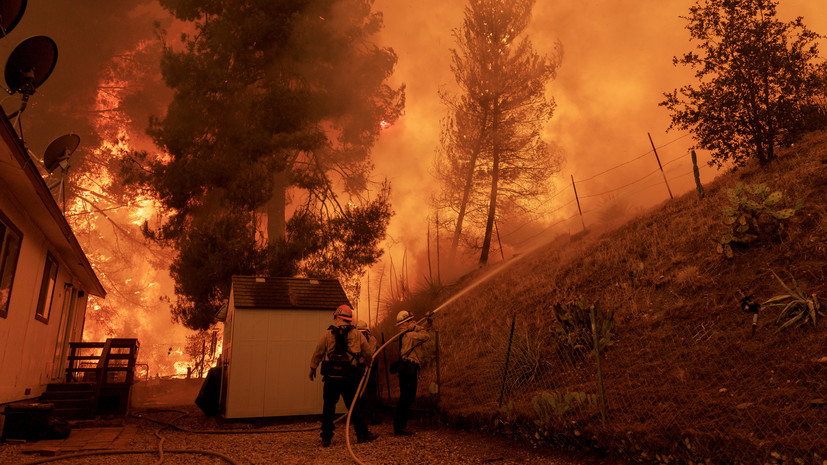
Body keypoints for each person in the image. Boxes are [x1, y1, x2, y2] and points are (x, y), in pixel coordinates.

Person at [309, 305, 378, 447]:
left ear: (338, 317)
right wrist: (367, 362)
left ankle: (326, 438)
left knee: (328, 407)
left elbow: (319, 351)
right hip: (349, 377)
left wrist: (313, 367)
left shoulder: (328, 333)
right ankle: (362, 435)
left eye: (335, 317)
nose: (334, 319)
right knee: (354, 407)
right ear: (349, 319)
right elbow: (367, 352)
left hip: (331, 377)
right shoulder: (357, 334)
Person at [393, 309, 432, 436]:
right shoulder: (410, 335)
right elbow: (426, 336)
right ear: (406, 322)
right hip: (409, 369)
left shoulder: (406, 334)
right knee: (407, 398)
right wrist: (415, 327)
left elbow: (423, 332)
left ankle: (399, 427)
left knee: (405, 397)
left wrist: (427, 322)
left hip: (405, 368)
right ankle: (399, 428)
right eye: (411, 320)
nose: (414, 321)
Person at [355, 319, 381, 424]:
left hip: (370, 369)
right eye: (359, 333)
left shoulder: (372, 339)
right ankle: (360, 417)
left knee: (371, 391)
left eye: (363, 333)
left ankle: (372, 416)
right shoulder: (354, 340)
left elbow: (369, 353)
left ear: (366, 332)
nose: (362, 335)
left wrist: (362, 360)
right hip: (359, 369)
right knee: (359, 392)